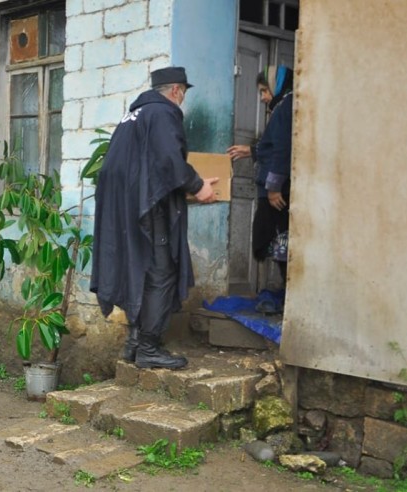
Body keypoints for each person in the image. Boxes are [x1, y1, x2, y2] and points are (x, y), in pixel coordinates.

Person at [90, 66, 218, 370]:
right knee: (161, 272)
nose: (183, 100)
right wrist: (198, 186)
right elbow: (168, 160)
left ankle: (134, 342)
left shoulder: (133, 116)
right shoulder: (163, 113)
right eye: (183, 93)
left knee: (143, 270)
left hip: (125, 210)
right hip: (148, 210)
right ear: (175, 90)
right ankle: (148, 347)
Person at [227, 65, 294, 285]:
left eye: (265, 91)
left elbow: (283, 149)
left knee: (277, 240)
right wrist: (251, 150)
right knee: (278, 241)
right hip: (277, 188)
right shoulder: (284, 106)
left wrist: (273, 188)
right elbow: (274, 144)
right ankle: (279, 295)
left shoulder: (286, 107)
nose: (264, 97)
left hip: (278, 191)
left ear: (277, 86)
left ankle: (282, 297)